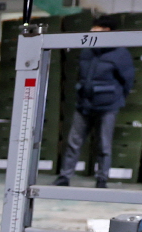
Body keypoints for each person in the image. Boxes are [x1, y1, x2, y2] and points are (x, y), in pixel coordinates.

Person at [54, 14, 135, 188]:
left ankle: (102, 178)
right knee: (73, 143)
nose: (92, 30)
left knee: (104, 145)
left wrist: (115, 99)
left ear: (107, 30)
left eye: (96, 28)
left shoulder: (120, 54)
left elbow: (128, 81)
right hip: (84, 104)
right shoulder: (88, 51)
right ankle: (64, 176)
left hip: (108, 107)